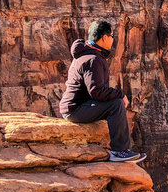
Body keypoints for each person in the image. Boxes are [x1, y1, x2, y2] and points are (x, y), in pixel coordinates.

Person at [59, 20, 146, 163]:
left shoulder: (86, 53)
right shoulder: (93, 59)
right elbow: (97, 91)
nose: (113, 39)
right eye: (112, 36)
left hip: (75, 106)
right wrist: (121, 95)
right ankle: (119, 152)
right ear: (104, 37)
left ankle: (118, 149)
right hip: (75, 110)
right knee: (116, 104)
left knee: (113, 104)